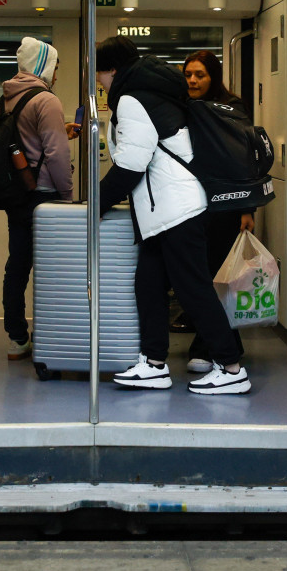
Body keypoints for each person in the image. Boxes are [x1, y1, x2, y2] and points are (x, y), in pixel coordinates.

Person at [95, 36, 250, 395]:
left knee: (192, 288)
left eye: (99, 74)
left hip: (177, 210)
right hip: (164, 213)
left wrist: (95, 205)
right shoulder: (153, 93)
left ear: (112, 70)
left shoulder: (132, 100)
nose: (98, 82)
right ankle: (153, 363)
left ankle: (231, 368)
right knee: (148, 284)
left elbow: (131, 165)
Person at [0, 37, 74, 361]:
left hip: (17, 194)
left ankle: (17, 338)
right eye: (54, 66)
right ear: (43, 64)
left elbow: (24, 142)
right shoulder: (46, 100)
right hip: (45, 197)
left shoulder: (5, 99)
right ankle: (52, 337)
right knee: (54, 269)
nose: (56, 74)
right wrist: (68, 197)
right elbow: (57, 155)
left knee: (17, 266)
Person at [181, 50, 254, 373]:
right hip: (193, 202)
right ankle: (227, 343)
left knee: (217, 278)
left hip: (226, 205)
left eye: (200, 75)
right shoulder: (184, 106)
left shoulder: (232, 108)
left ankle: (207, 346)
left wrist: (247, 208)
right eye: (188, 75)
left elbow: (242, 157)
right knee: (204, 275)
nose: (193, 80)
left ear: (214, 77)